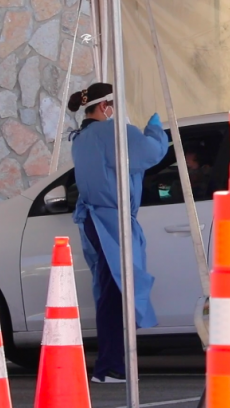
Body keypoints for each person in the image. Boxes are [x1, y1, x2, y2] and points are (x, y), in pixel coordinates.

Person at [67, 83, 169, 384]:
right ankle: (110, 366)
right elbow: (150, 153)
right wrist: (154, 128)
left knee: (111, 291)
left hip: (97, 220)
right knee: (117, 293)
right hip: (113, 221)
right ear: (105, 107)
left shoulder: (82, 138)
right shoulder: (113, 132)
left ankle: (110, 364)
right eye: (114, 104)